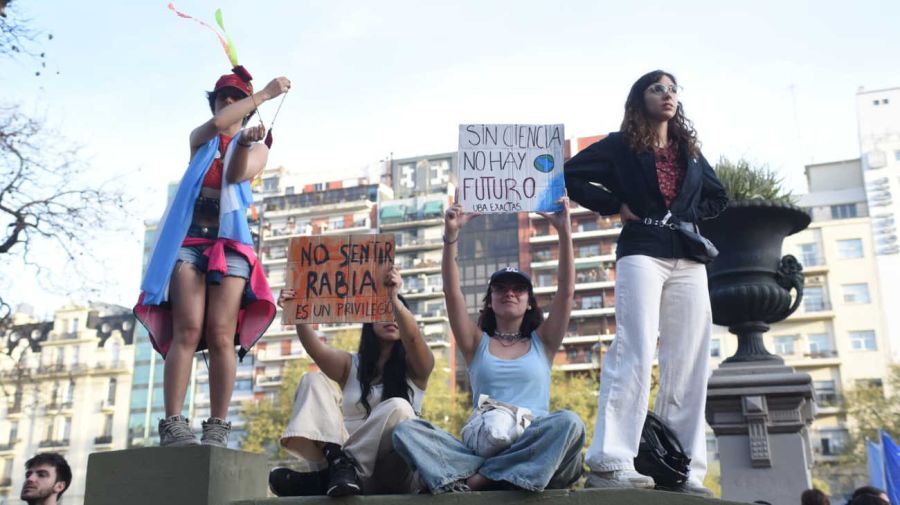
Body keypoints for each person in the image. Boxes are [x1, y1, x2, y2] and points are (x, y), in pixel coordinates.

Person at [565, 69, 728, 494]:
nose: (667, 95)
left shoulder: (689, 151)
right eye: (658, 89)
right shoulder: (621, 145)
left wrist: (686, 217)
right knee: (634, 348)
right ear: (641, 99)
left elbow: (718, 195)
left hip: (689, 258)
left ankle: (682, 469)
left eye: (673, 89)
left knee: (689, 361)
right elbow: (571, 174)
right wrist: (614, 204)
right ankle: (611, 461)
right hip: (642, 250)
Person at [134, 68, 290, 446]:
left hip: (230, 244)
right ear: (215, 103)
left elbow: (236, 175)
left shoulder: (259, 147)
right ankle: (173, 422)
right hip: (189, 241)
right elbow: (220, 124)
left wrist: (246, 144)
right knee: (187, 329)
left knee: (222, 334)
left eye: (237, 97)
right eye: (224, 97)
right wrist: (263, 95)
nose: (230, 102)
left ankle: (218, 425)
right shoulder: (201, 139)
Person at [391, 194, 585, 493]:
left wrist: (564, 230)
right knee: (406, 431)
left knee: (569, 423)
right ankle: (499, 474)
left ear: (529, 303)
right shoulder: (475, 343)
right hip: (483, 448)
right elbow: (452, 293)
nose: (509, 293)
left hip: (535, 447)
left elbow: (566, 290)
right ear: (490, 301)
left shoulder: (543, 342)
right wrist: (451, 236)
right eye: (500, 288)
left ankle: (481, 479)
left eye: (518, 289)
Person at [268, 266, 435, 497]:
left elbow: (414, 338)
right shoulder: (351, 364)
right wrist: (297, 312)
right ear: (369, 321)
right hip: (340, 476)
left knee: (399, 407)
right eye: (383, 311)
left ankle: (328, 477)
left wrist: (393, 297)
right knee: (313, 380)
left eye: (395, 313)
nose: (391, 318)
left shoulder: (418, 367)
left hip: (392, 473)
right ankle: (337, 467)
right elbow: (316, 350)